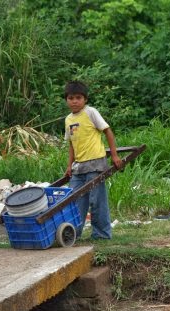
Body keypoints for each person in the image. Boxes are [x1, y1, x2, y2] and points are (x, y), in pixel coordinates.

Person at [64, 80, 123, 240]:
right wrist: (69, 165)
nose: (75, 101)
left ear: (85, 99)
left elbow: (107, 131)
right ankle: (74, 234)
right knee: (74, 200)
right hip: (79, 167)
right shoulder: (68, 119)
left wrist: (115, 155)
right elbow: (71, 144)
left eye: (78, 98)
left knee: (97, 201)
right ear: (66, 100)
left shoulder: (91, 113)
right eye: (71, 98)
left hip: (96, 163)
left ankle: (102, 234)